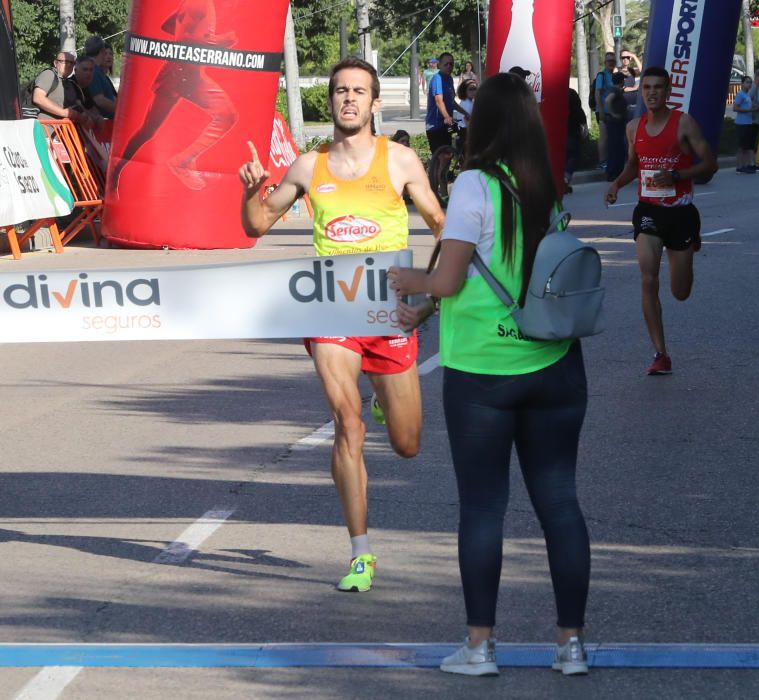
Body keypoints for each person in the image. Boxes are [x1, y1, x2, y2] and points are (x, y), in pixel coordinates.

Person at [387, 71, 592, 679]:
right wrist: (433, 303)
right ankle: (572, 647)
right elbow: (502, 271)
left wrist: (413, 285)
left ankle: (479, 648)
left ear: (481, 125)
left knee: (483, 509)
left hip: (482, 373)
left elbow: (449, 277)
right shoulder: (544, 187)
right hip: (554, 364)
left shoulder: (474, 184)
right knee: (560, 504)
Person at [239, 56, 444, 593]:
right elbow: (257, 224)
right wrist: (251, 191)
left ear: (375, 103)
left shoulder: (400, 161)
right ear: (328, 101)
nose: (349, 99)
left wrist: (431, 296)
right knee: (346, 423)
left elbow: (446, 229)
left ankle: (383, 397)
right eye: (339, 91)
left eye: (359, 91)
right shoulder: (309, 167)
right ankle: (360, 553)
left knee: (407, 444)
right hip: (331, 312)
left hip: (389, 315)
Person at [605, 66, 717, 375]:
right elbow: (632, 166)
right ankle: (660, 353)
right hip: (649, 211)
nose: (652, 92)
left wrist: (679, 175)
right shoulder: (634, 128)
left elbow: (710, 164)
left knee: (680, 292)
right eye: (647, 88)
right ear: (641, 92)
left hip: (681, 213)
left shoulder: (684, 124)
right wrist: (616, 184)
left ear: (668, 92)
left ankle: (691, 242)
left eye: (658, 87)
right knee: (647, 276)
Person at [108, 0, 238, 193]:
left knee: (227, 115)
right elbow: (192, 38)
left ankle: (181, 161)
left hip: (188, 74)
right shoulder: (200, 3)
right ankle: (116, 173)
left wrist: (187, 40)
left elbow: (168, 26)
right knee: (148, 130)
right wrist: (226, 39)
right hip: (180, 74)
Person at [425, 52, 468, 157]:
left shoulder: (449, 79)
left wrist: (465, 113)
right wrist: (447, 116)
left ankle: (443, 173)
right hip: (435, 124)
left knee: (447, 155)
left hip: (446, 124)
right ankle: (436, 173)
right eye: (446, 64)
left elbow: (451, 101)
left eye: (451, 64)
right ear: (439, 65)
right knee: (441, 156)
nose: (449, 66)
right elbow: (439, 100)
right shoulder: (437, 79)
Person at [30, 51, 81, 121]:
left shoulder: (70, 83)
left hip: (63, 129)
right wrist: (64, 113)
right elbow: (38, 98)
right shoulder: (49, 74)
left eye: (72, 63)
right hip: (46, 129)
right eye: (64, 61)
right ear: (55, 63)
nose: (68, 65)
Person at [83, 35, 117, 118]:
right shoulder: (93, 71)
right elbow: (99, 100)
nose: (108, 56)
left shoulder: (98, 72)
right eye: (106, 53)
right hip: (102, 124)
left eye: (111, 54)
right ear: (102, 51)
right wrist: (121, 111)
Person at [604, 72, 629, 181]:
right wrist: (613, 113)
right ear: (621, 81)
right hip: (615, 122)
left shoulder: (617, 91)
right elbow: (608, 100)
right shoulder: (615, 91)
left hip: (616, 122)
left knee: (616, 146)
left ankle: (616, 171)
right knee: (616, 147)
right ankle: (614, 172)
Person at [732, 75, 759, 173]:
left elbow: (750, 107)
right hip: (741, 123)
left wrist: (755, 108)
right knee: (741, 147)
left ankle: (746, 165)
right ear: (742, 83)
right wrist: (749, 110)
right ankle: (739, 167)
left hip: (748, 123)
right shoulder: (740, 94)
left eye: (750, 82)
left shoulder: (747, 95)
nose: (749, 84)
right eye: (747, 82)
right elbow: (735, 108)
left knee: (746, 146)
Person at [594, 52, 617, 168]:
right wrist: (601, 111)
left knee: (609, 137)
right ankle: (601, 162)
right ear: (605, 62)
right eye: (609, 61)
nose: (611, 63)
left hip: (611, 112)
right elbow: (597, 93)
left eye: (613, 61)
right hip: (603, 111)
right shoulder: (601, 75)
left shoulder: (613, 75)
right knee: (603, 137)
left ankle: (607, 160)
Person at [565, 86, 587, 194]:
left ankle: (562, 180)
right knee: (573, 155)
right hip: (572, 130)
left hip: (558, 130)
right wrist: (584, 126)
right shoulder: (571, 93)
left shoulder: (554, 94)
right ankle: (566, 177)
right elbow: (579, 111)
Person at [454, 78, 477, 155]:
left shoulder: (470, 102)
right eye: (471, 89)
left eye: (475, 88)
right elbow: (466, 120)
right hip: (465, 131)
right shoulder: (467, 104)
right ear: (465, 91)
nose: (474, 91)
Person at [619, 50, 642, 120]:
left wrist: (634, 56)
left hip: (634, 104)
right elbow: (620, 88)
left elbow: (642, 70)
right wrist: (634, 88)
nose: (625, 59)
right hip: (622, 105)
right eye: (623, 57)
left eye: (627, 57)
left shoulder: (632, 70)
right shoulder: (617, 71)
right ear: (620, 58)